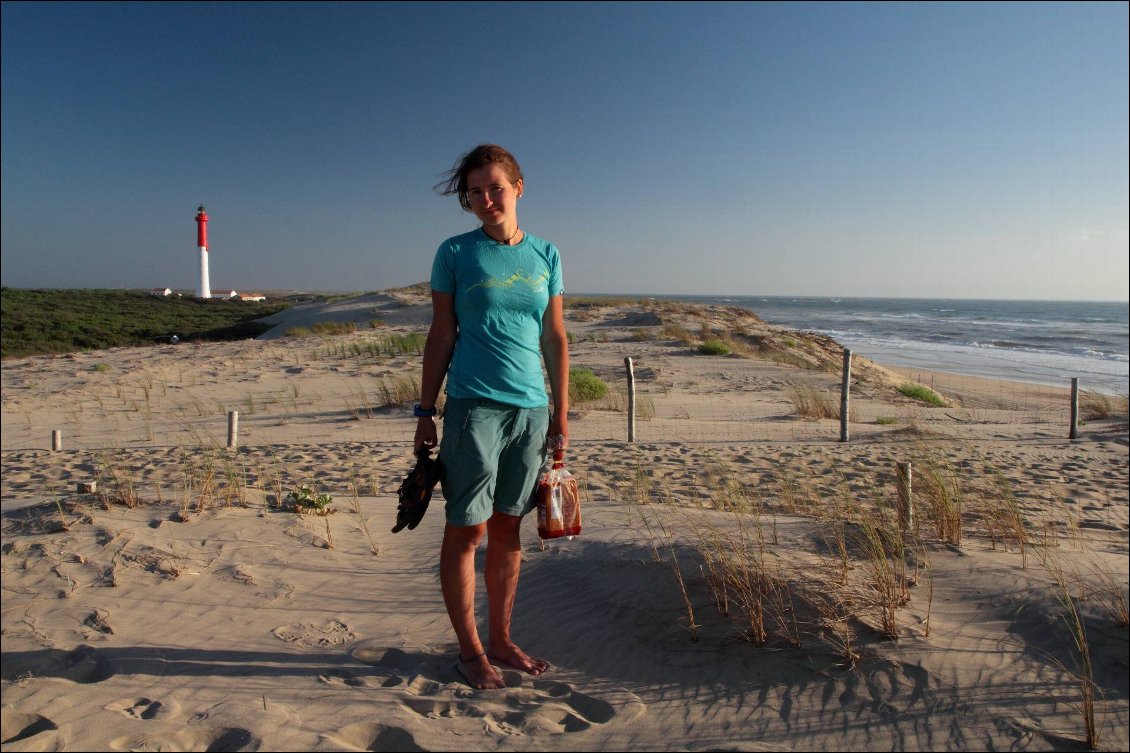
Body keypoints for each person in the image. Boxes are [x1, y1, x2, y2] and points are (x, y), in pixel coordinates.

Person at [413, 144, 570, 690]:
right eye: (474, 192)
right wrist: (425, 409)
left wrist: (560, 415)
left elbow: (553, 338)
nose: (485, 200)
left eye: (494, 188)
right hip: (473, 407)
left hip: (531, 410)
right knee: (467, 527)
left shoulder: (546, 254)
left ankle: (501, 640)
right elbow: (441, 334)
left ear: (518, 187)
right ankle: (469, 650)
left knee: (508, 525)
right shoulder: (455, 253)